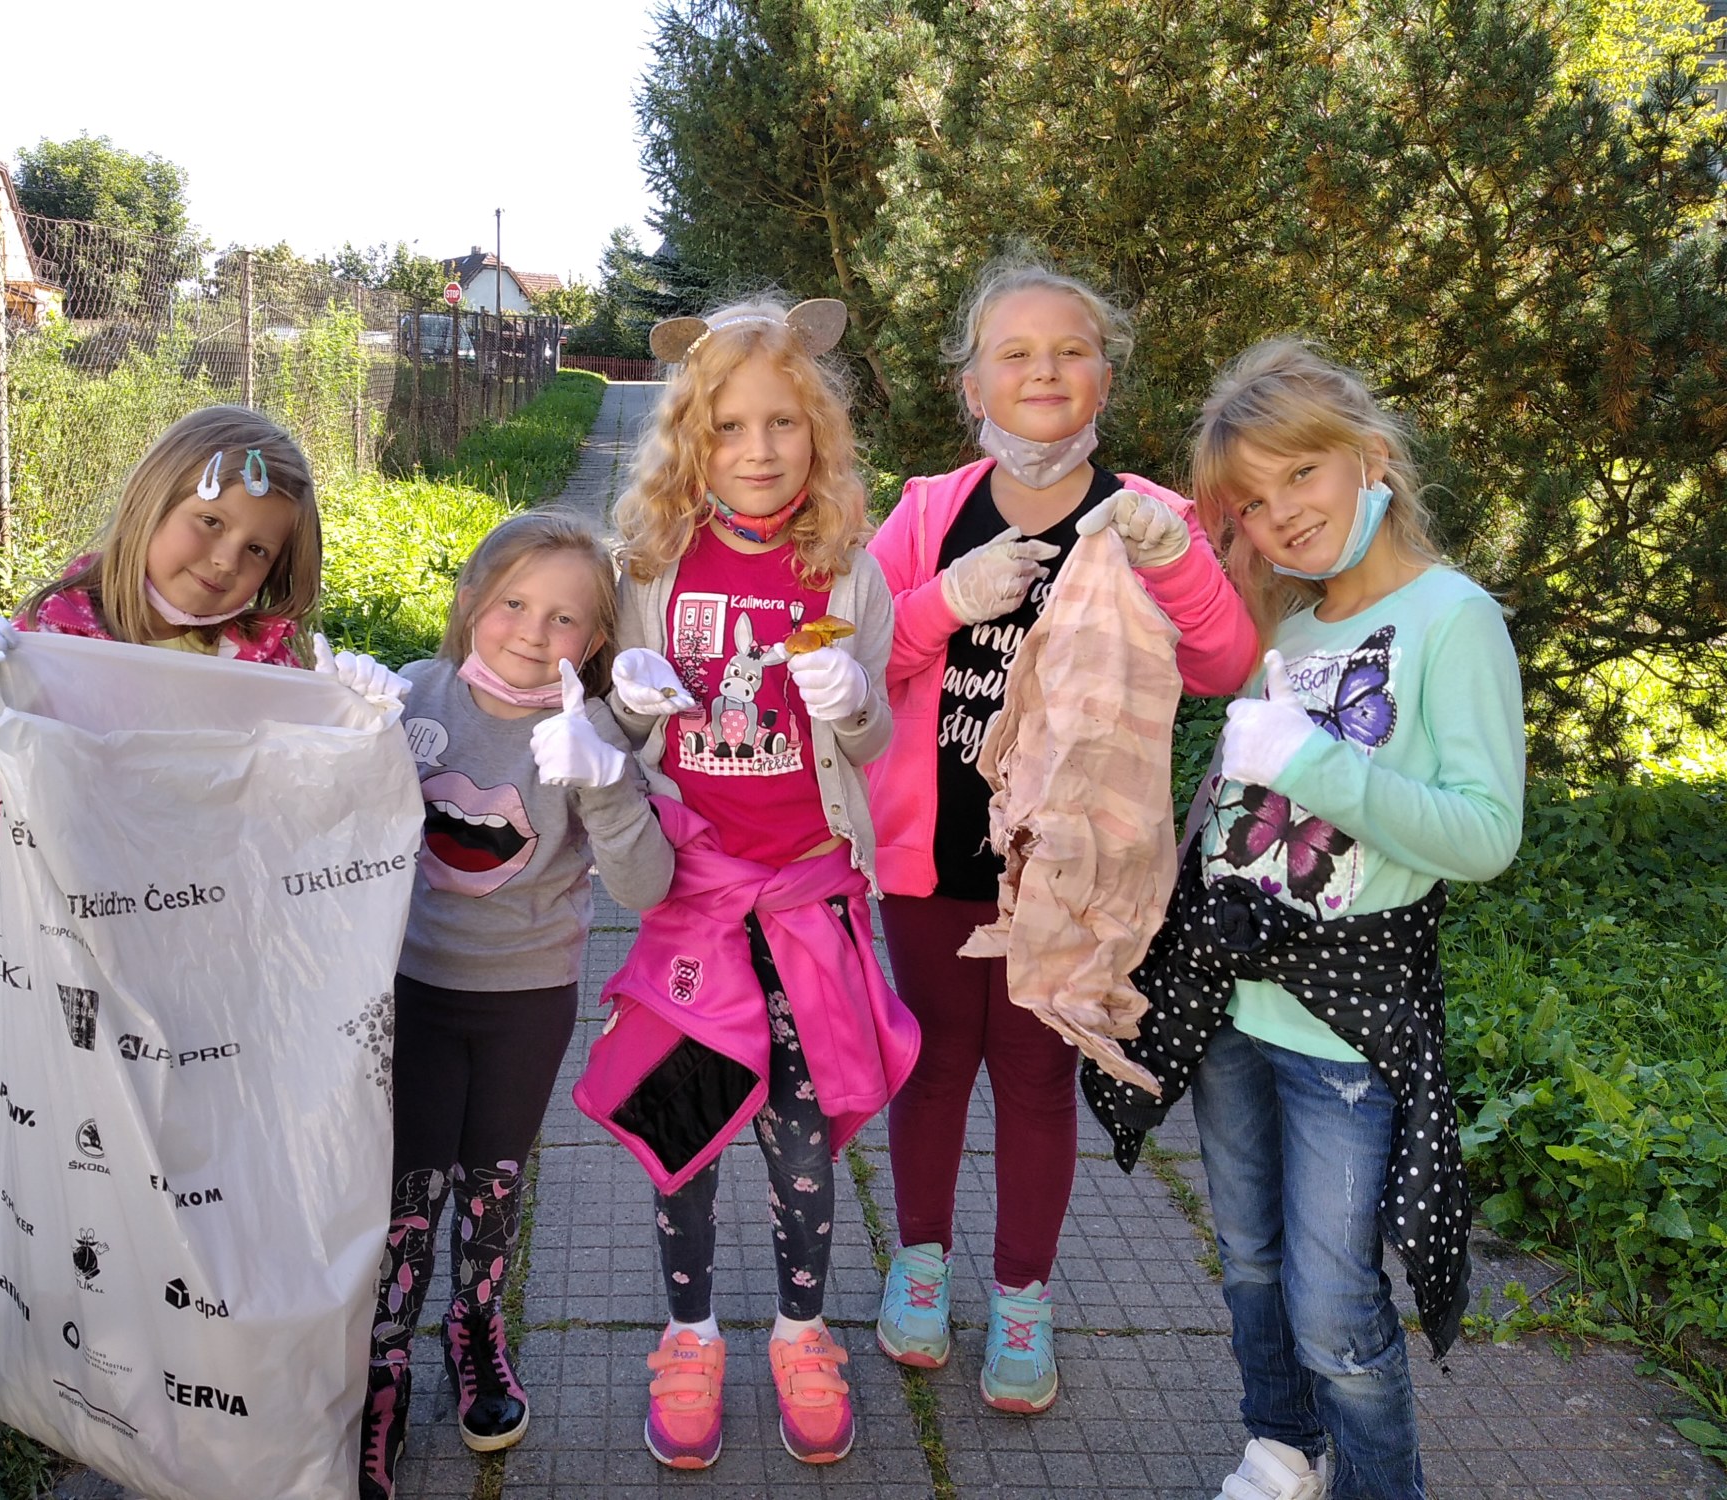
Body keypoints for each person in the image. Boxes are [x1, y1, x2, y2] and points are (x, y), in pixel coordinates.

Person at [1084, 339, 1525, 1500]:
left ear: (1367, 458)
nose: (1279, 513)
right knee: (1246, 1257)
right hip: (1232, 1007)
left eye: (1299, 475)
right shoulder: (1286, 627)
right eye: (1251, 499)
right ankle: (1283, 1445)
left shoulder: (1450, 618)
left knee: (1332, 1303)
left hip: (1344, 1029)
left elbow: (1483, 835)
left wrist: (1313, 763)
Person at [865, 259, 1257, 1412]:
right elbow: (850, 659)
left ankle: (1022, 1296)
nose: (1043, 370)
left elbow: (1223, 664)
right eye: (1014, 353)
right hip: (935, 858)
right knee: (932, 1069)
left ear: (1103, 378)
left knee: (1036, 1082)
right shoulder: (927, 511)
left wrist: (1169, 559)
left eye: (1069, 350)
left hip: (1076, 874)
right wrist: (946, 599)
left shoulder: (1147, 517)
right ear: (970, 386)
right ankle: (920, 1266)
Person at [599, 297, 918, 1469]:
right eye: (729, 426)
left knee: (801, 1139)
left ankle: (798, 1332)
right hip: (696, 904)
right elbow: (613, 729)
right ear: (692, 435)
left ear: (816, 430)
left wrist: (857, 704)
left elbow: (870, 739)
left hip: (805, 902)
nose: (758, 449)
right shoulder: (647, 567)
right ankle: (689, 1337)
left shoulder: (847, 571)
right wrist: (625, 706)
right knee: (681, 1131)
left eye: (782, 422)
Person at [357, 512, 674, 1494]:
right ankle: (381, 1360)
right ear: (469, 602)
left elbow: (646, 885)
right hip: (407, 989)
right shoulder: (410, 695)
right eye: (513, 604)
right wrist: (331, 716)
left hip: (526, 997)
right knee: (407, 1185)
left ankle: (476, 1327)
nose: (534, 634)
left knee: (493, 1175)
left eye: (565, 618)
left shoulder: (594, 729)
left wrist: (606, 776)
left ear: (598, 639)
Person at [0, 405, 405, 828]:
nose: (226, 561)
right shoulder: (57, 635)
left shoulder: (267, 663)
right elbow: (25, 802)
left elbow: (305, 807)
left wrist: (348, 719)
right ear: (150, 503)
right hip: (99, 896)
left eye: (258, 550)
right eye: (211, 522)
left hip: (219, 896)